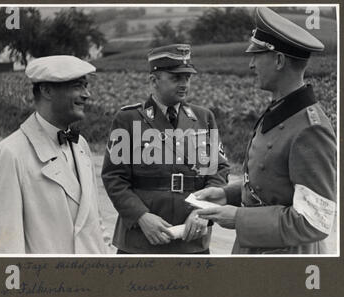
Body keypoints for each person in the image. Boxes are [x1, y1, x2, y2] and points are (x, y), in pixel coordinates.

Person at [194, 7, 337, 254]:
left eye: (256, 55)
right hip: (257, 251)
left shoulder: (311, 130)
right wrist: (226, 195)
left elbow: (314, 221)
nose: (250, 64)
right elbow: (271, 185)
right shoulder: (280, 109)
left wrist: (239, 218)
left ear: (279, 60)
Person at [102, 44, 230, 254]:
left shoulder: (203, 118)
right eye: (176, 78)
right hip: (140, 240)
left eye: (187, 78)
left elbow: (218, 172)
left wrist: (201, 212)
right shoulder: (129, 119)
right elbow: (114, 178)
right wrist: (141, 216)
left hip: (191, 239)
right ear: (154, 81)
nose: (184, 84)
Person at [0, 55, 109, 254]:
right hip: (46, 282)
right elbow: (5, 245)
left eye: (86, 86)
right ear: (47, 91)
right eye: (78, 86)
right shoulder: (10, 153)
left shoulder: (81, 144)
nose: (86, 94)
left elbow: (94, 222)